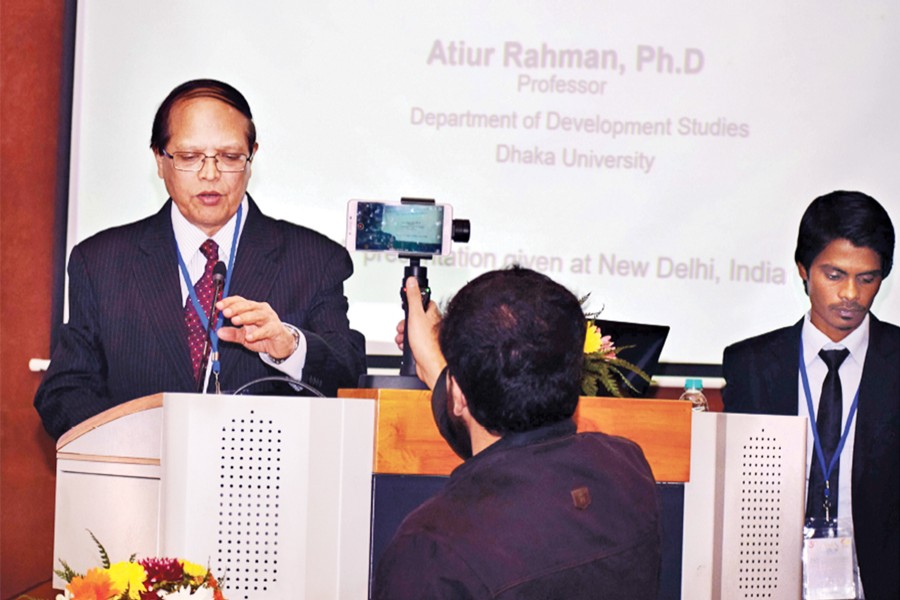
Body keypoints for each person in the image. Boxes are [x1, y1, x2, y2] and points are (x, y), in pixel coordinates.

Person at [34, 79, 366, 440]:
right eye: (190, 158)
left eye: (229, 157)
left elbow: (348, 374)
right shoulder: (100, 263)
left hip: (265, 486)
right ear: (160, 160)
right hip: (142, 486)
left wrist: (290, 348)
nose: (210, 174)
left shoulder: (315, 260)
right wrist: (137, 446)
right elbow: (63, 391)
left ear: (252, 158)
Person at [374, 268, 661, 599]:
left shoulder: (430, 548)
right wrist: (443, 372)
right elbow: (516, 457)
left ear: (458, 394)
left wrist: (451, 376)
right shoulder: (627, 471)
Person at [722, 191, 898, 598]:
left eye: (867, 278)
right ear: (804, 269)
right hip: (771, 583)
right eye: (834, 275)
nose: (851, 294)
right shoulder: (749, 364)